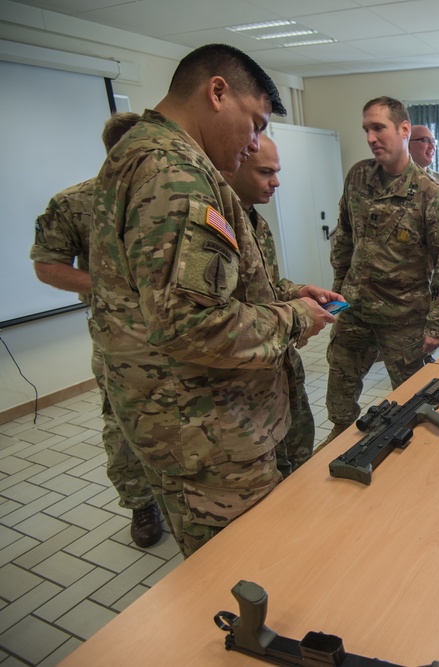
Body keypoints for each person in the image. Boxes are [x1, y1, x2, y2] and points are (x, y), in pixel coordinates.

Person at [89, 44, 339, 557]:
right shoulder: (177, 174)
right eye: (255, 122)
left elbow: (201, 290)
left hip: (190, 423)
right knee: (246, 573)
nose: (254, 144)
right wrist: (295, 318)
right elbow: (192, 325)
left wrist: (290, 293)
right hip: (206, 433)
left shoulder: (142, 154)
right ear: (217, 92)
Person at [30, 112, 163, 549]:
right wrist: (112, 286)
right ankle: (141, 503)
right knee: (124, 423)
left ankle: (181, 486)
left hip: (176, 332)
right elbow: (48, 267)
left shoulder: (169, 194)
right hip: (119, 340)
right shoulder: (75, 203)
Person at [324, 97, 439, 442]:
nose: (371, 137)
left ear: (403, 130)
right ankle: (339, 442)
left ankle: (412, 464)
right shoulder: (358, 176)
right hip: (354, 310)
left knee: (414, 399)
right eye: (367, 129)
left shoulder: (431, 194)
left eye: (378, 128)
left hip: (404, 319)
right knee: (339, 394)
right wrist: (338, 295)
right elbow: (344, 239)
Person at [222, 134, 317, 476]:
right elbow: (215, 318)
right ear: (235, 165)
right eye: (265, 172)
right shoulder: (216, 224)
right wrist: (299, 315)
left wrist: (301, 291)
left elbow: (266, 288)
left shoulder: (254, 222)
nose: (276, 182)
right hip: (243, 385)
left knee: (299, 458)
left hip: (277, 368)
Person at [408, 124, 439, 196]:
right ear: (409, 146)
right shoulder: (398, 177)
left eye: (434, 141)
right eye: (426, 140)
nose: (432, 146)